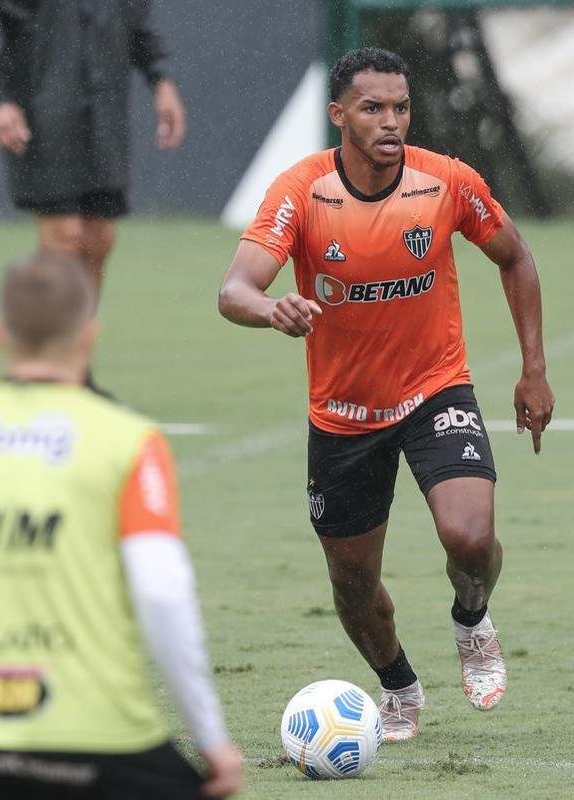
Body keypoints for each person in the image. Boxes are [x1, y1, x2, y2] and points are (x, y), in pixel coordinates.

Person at [217, 47, 555, 741]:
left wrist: (533, 369)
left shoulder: (446, 182)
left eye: (400, 107)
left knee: (471, 536)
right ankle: (398, 684)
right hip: (342, 415)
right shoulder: (302, 191)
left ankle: (470, 617)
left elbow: (515, 256)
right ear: (338, 114)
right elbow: (234, 290)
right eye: (373, 108)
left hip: (436, 389)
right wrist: (270, 309)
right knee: (352, 582)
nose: (391, 121)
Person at [0, 251, 242, 799]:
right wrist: (211, 737)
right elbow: (162, 592)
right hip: (109, 752)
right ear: (88, 334)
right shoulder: (129, 442)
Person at [0, 0, 187, 302]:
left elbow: (136, 13)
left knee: (99, 237)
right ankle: (55, 344)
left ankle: (76, 341)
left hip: (104, 105)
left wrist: (161, 78)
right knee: (64, 237)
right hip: (41, 102)